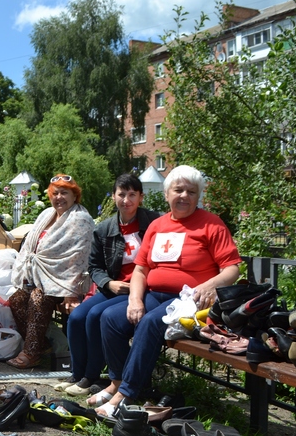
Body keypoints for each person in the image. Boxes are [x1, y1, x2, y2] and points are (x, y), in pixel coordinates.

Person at [95, 165, 242, 416]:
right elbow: (141, 270)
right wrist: (134, 300)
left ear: (199, 197)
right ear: (166, 194)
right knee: (110, 318)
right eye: (178, 190)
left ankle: (126, 395)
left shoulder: (212, 225)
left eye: (191, 192)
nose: (184, 195)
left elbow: (232, 269)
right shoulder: (158, 225)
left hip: (190, 300)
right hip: (156, 295)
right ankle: (118, 381)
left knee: (151, 323)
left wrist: (209, 285)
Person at [59, 174, 161, 396]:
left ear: (141, 197)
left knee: (95, 315)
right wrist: (109, 283)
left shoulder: (154, 223)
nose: (126, 200)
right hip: (115, 287)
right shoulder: (103, 229)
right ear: (114, 196)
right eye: (121, 194)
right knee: (76, 317)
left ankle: (92, 376)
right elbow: (94, 266)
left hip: (140, 289)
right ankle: (78, 375)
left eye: (132, 194)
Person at [6, 175, 94, 369]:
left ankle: (31, 353)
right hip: (39, 276)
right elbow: (31, 248)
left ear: (74, 196)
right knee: (16, 299)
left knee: (38, 298)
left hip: (65, 281)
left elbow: (78, 258)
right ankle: (43, 346)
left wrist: (72, 291)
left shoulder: (80, 218)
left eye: (64, 193)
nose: (59, 197)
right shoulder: (46, 214)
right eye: (55, 193)